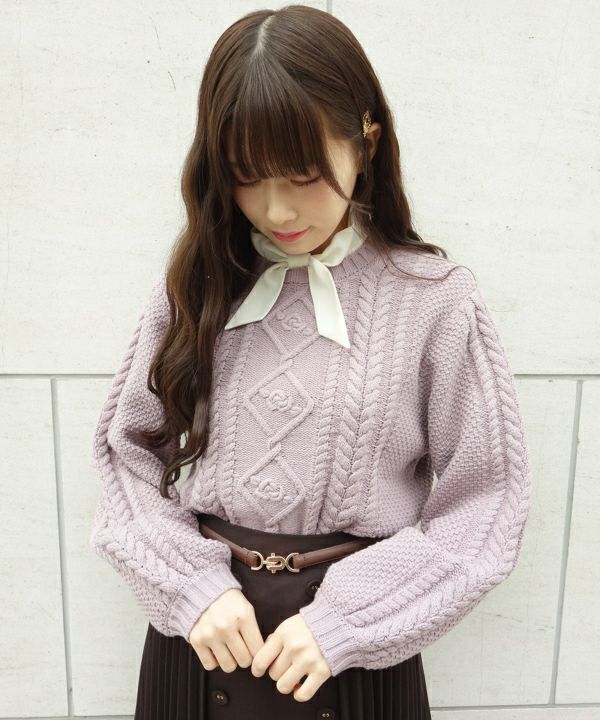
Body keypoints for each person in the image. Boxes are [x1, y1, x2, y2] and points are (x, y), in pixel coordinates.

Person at [89, 5, 532, 719]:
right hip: (201, 645)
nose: (275, 211)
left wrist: (352, 620)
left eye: (301, 175)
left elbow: (485, 504)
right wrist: (188, 585)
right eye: (245, 176)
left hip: (354, 658)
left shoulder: (436, 301)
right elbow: (126, 455)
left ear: (367, 143)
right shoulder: (197, 286)